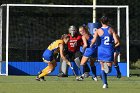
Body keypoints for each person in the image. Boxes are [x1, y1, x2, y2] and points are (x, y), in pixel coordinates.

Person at [90, 16, 120, 88]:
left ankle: (105, 84)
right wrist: (113, 46)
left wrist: (91, 45)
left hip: (101, 50)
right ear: (108, 22)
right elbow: (116, 41)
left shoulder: (98, 30)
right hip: (109, 50)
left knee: (102, 68)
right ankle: (105, 79)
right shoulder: (111, 29)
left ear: (101, 22)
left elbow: (93, 40)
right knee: (109, 70)